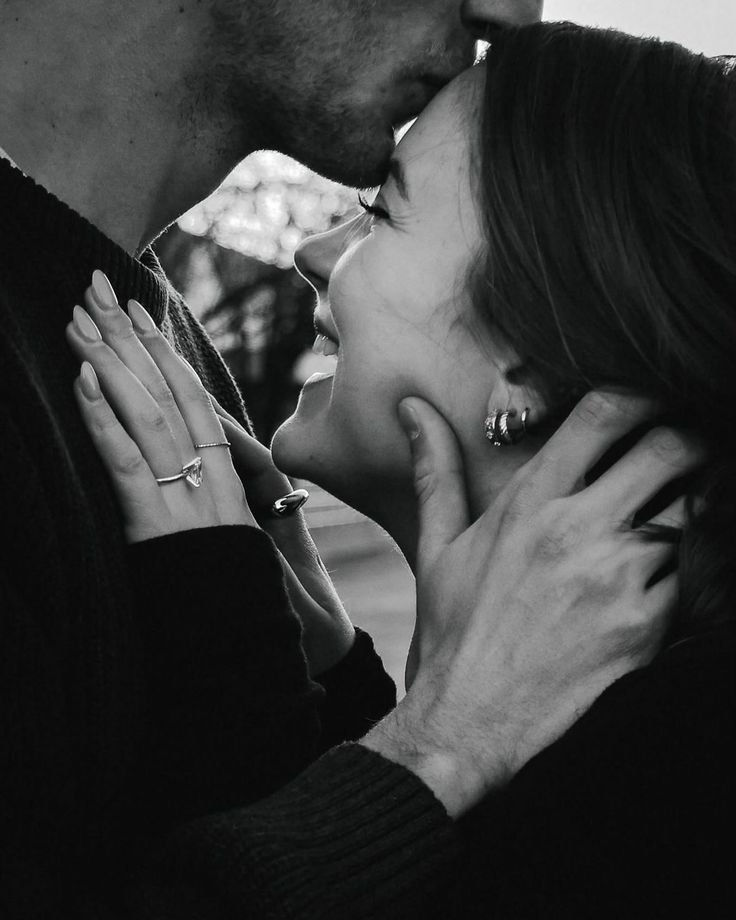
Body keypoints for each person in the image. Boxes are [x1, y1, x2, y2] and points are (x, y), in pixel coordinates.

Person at [0, 1, 701, 916]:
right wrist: (422, 741)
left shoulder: (163, 354)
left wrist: (325, 678)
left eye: (382, 218)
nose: (507, 11)